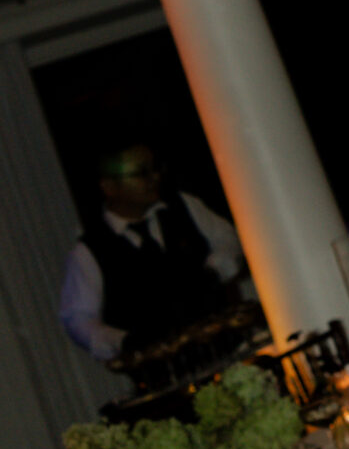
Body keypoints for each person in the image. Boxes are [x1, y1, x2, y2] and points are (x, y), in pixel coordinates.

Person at [60, 140, 242, 361]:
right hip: (163, 367)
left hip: (226, 347)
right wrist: (122, 341)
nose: (153, 178)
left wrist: (215, 269)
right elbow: (78, 318)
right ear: (109, 186)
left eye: (155, 169)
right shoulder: (90, 251)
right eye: (140, 173)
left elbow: (228, 239)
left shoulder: (183, 206)